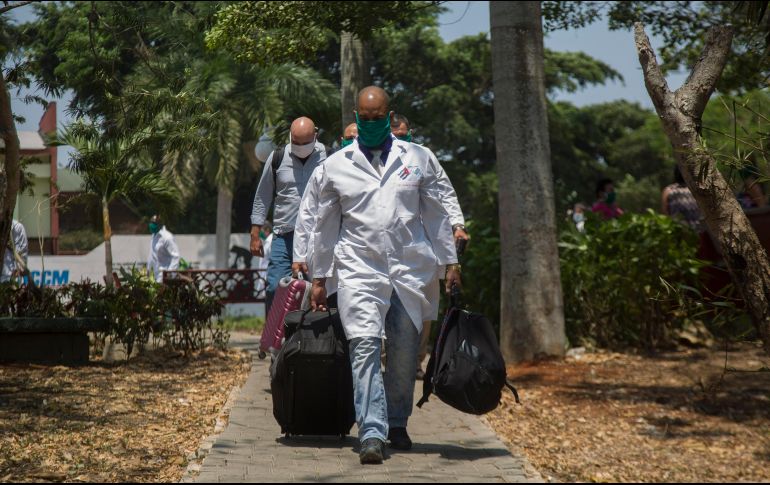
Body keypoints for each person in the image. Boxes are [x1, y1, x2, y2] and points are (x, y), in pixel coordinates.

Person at [310, 86, 461, 465]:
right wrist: (318, 276)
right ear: (356, 117)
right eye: (366, 118)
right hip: (359, 269)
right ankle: (372, 432)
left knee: (404, 354)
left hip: (410, 270)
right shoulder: (336, 165)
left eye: (379, 118)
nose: (372, 123)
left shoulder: (419, 157)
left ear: (389, 115)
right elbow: (323, 225)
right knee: (363, 349)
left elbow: (438, 212)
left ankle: (397, 422)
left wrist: (450, 262)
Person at [390, 113, 470, 380]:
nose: (401, 141)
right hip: (393, 249)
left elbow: (445, 192)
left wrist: (457, 225)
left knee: (425, 308)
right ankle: (387, 360)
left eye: (405, 135)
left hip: (428, 247)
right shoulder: (378, 160)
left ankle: (415, 363)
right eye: (396, 136)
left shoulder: (424, 156)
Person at [250, 117, 327, 314]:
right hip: (284, 236)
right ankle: (273, 339)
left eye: (305, 143)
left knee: (318, 290)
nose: (300, 147)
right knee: (276, 287)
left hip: (316, 238)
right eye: (296, 142)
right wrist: (255, 232)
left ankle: (310, 339)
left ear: (315, 137)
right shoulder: (277, 157)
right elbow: (263, 195)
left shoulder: (328, 158)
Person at [661, 166, 704, 231]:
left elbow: (665, 213)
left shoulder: (669, 190)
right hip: (700, 230)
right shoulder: (696, 189)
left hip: (679, 231)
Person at [147, 215, 181, 283]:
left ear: (160, 224)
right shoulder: (154, 236)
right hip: (154, 275)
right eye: (151, 223)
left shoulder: (167, 237)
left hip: (164, 275)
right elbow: (152, 255)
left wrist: (170, 273)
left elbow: (175, 256)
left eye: (154, 223)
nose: (151, 225)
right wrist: (148, 269)